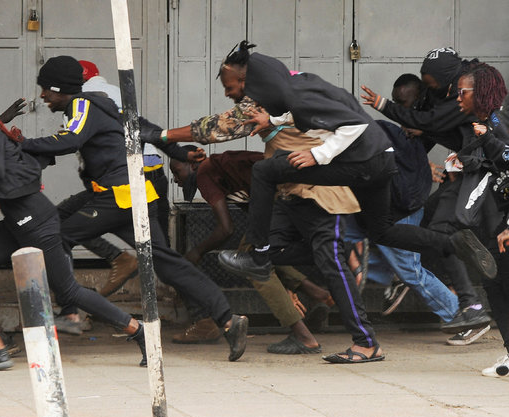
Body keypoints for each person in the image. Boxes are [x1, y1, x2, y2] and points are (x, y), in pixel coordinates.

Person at [211, 42, 496, 318]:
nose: (231, 94)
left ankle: (258, 256)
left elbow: (355, 125)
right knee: (381, 231)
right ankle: (451, 243)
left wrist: (318, 155)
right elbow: (308, 113)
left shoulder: (298, 94)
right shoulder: (304, 85)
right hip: (381, 161)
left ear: (255, 82)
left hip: (363, 162)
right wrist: (272, 122)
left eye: (233, 88)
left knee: (265, 171)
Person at [20, 55, 249, 362]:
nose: (43, 97)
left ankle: (71, 313)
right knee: (167, 263)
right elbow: (153, 132)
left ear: (60, 88)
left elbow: (69, 140)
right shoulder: (112, 108)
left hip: (116, 197)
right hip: (136, 196)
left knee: (56, 235)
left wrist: (23, 143)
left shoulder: (82, 105)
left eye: (46, 90)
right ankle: (229, 320)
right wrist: (180, 151)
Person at [147, 65, 383, 362]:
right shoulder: (279, 104)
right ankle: (322, 281)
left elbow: (219, 128)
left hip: (315, 190)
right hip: (287, 194)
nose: (228, 94)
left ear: (247, 82)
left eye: (230, 87)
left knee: (307, 262)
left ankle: (352, 339)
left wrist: (162, 135)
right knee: (266, 254)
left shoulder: (274, 99)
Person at [0, 91, 148, 370]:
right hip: (18, 220)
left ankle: (139, 331)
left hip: (36, 221)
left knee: (69, 291)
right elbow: (5, 169)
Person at [54, 59, 205, 335]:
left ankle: (203, 315)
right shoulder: (115, 92)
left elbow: (75, 139)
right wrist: (179, 152)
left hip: (125, 180)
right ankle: (200, 315)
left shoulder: (84, 99)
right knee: (162, 255)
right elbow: (148, 129)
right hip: (150, 174)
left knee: (62, 221)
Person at [360, 48, 493, 336]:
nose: (460, 97)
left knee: (444, 234)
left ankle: (470, 308)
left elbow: (431, 124)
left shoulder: (458, 103)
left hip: (483, 175)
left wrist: (384, 106)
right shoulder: (438, 100)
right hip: (468, 172)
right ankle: (406, 273)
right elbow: (424, 134)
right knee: (429, 227)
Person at [170, 149, 327, 354]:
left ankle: (303, 336)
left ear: (191, 165)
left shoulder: (204, 173)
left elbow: (226, 229)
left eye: (176, 172)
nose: (175, 179)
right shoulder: (222, 169)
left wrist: (196, 253)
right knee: (259, 253)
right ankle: (317, 294)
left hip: (286, 199)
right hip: (293, 200)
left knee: (253, 264)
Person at [450, 63, 509, 376]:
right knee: (495, 285)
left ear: (480, 91)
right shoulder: (488, 123)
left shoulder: (498, 120)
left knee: (501, 284)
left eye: (463, 92)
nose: (458, 98)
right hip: (499, 217)